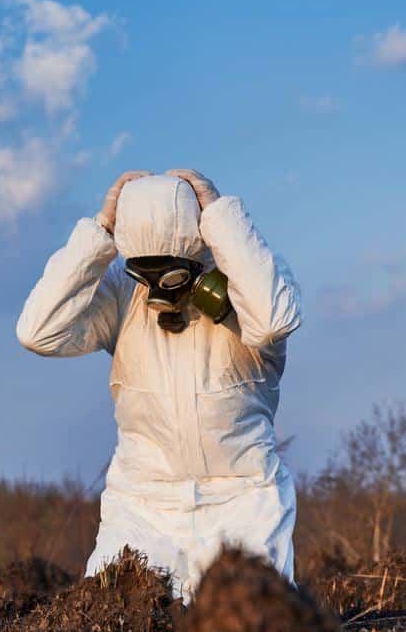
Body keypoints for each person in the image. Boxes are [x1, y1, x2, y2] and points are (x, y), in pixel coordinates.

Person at [16, 170, 302, 600]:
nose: (157, 289)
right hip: (142, 506)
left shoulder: (254, 289)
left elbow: (275, 319)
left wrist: (222, 217)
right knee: (114, 622)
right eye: (144, 274)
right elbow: (38, 331)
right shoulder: (122, 296)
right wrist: (101, 232)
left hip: (244, 501)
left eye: (170, 275)